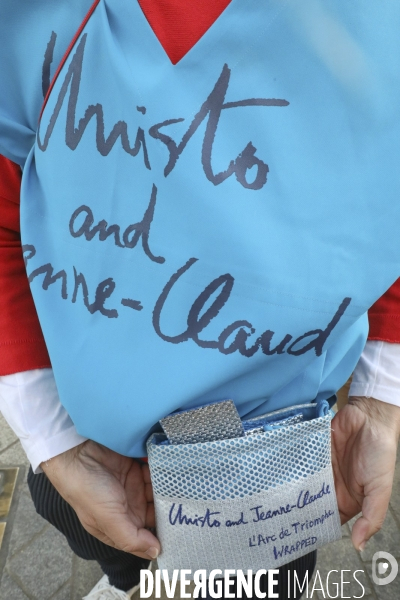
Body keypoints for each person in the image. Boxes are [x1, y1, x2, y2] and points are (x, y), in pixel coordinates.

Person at [1, 0, 400, 598]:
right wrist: (53, 439)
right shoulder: (33, 23)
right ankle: (131, 585)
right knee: (102, 544)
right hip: (86, 439)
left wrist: (380, 398)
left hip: (271, 449)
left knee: (262, 580)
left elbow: (385, 205)